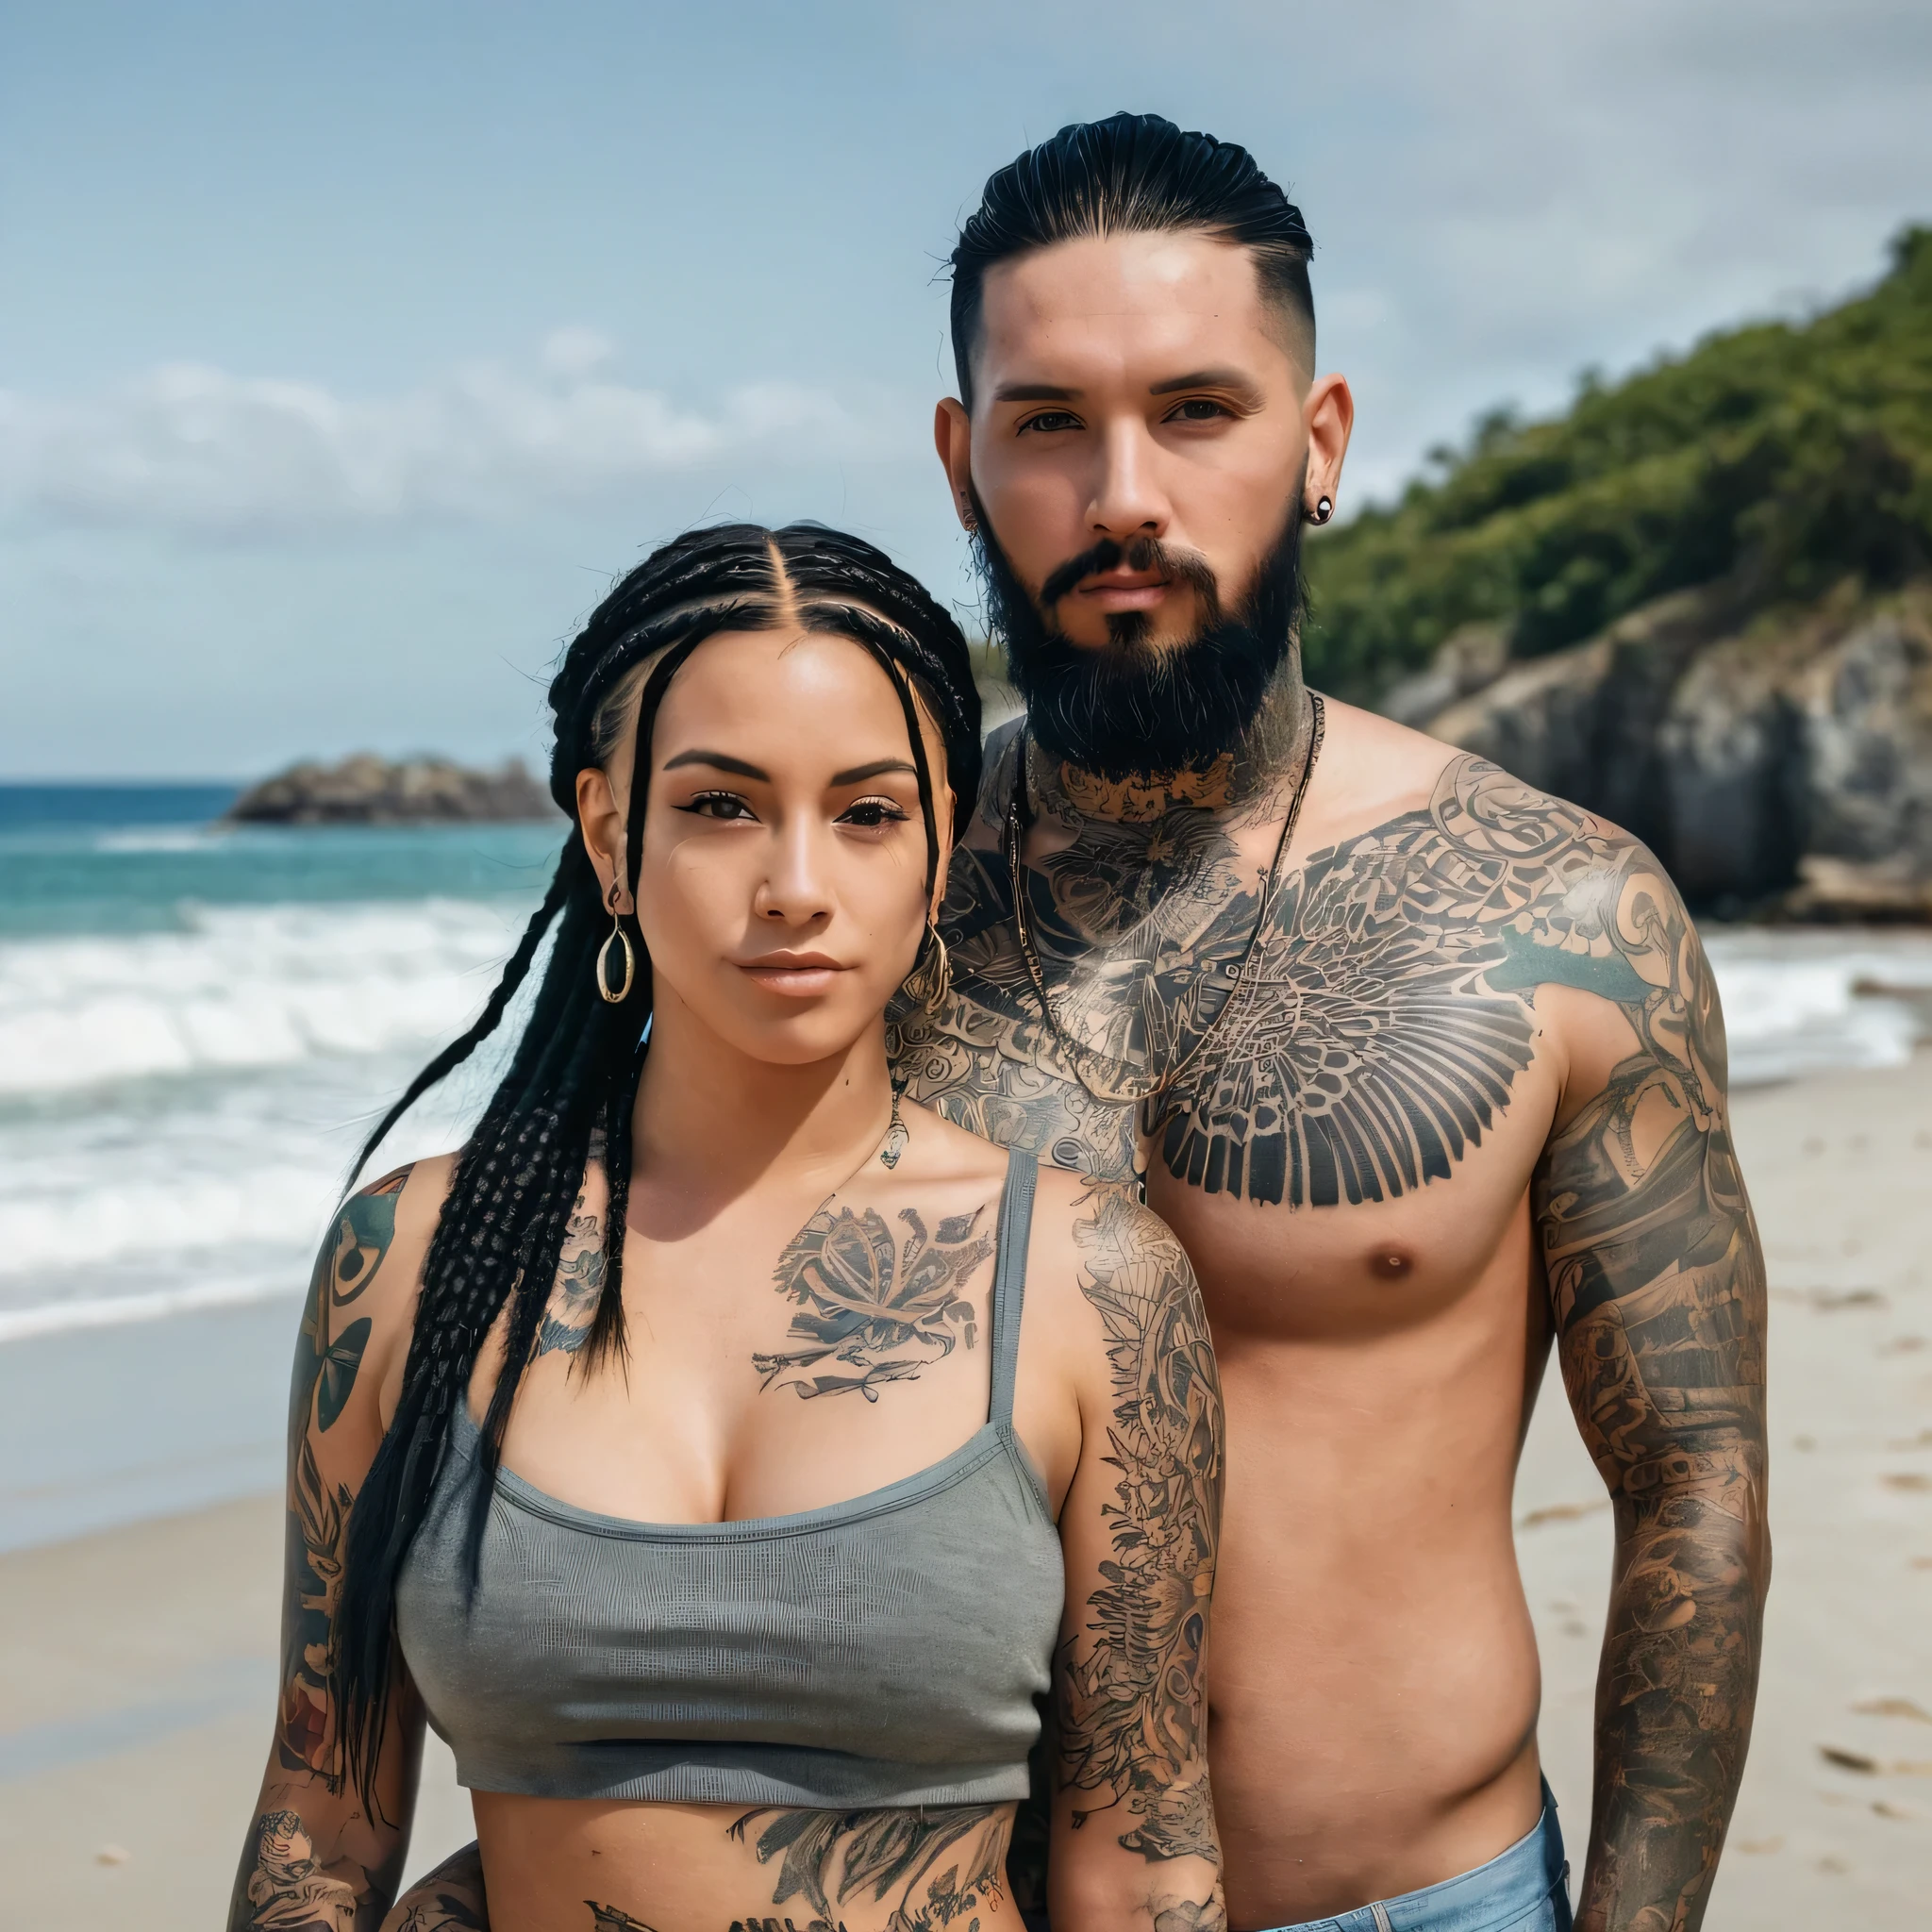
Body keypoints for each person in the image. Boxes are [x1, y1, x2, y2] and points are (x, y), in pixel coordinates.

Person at [890, 114, 1770, 1932]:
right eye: (1051, 423)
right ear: (967, 468)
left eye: (1197, 410)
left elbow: (1694, 1484)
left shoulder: (1561, 917)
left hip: (1417, 1900)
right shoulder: (857, 922)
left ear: (1321, 444)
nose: (1123, 491)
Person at [228, 523, 1228, 1932]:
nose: (797, 886)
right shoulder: (412, 1262)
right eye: (719, 807)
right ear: (607, 835)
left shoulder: (1085, 1280)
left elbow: (1144, 1861)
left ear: (940, 851)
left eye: (869, 813)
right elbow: (320, 1824)